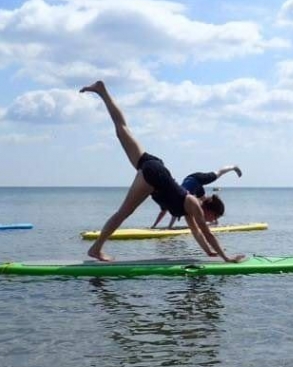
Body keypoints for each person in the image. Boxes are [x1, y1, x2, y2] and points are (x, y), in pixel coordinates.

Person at [81, 80, 245, 263]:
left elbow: (198, 234)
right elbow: (207, 234)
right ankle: (96, 249)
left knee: (122, 130)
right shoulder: (194, 205)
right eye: (213, 217)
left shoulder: (190, 210)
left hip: (154, 166)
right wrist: (226, 258)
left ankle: (102, 91)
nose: (210, 221)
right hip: (155, 176)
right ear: (209, 210)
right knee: (124, 212)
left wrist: (209, 253)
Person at [151, 165, 242, 229]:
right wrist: (154, 226)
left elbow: (174, 215)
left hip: (197, 178)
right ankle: (214, 221)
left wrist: (169, 228)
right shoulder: (165, 201)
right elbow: (164, 213)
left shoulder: (177, 198)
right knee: (205, 204)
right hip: (195, 188)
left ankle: (233, 167)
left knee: (217, 174)